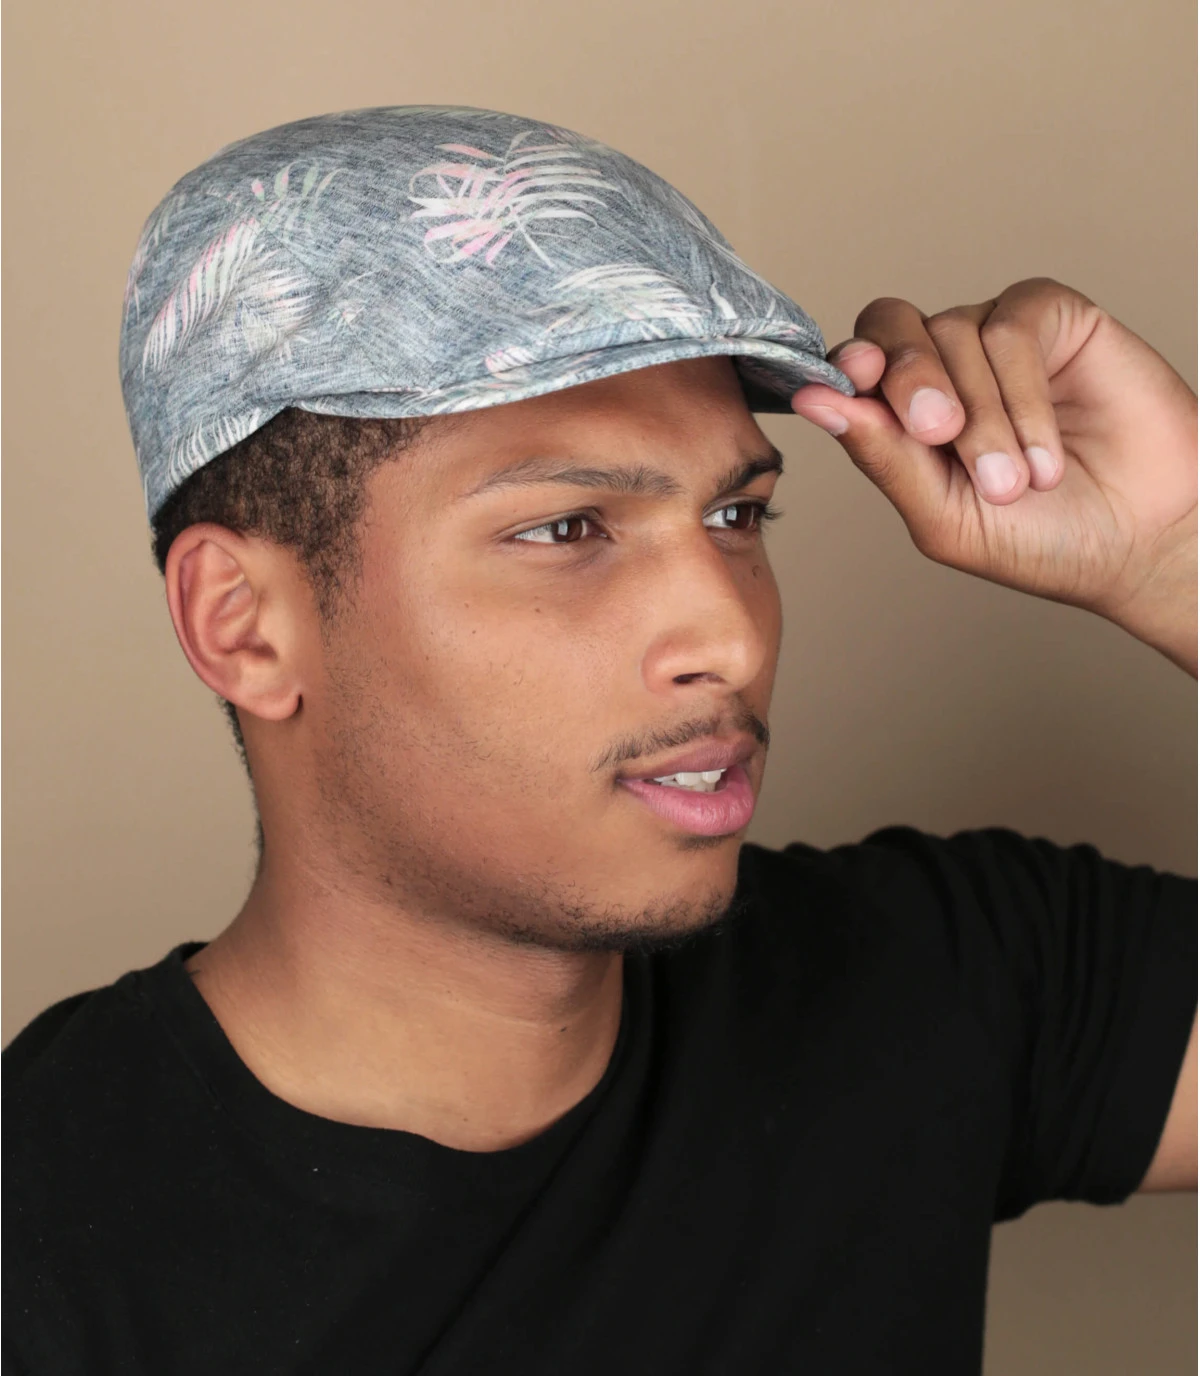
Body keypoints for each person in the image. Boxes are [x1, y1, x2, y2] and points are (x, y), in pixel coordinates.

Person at [4, 106, 1196, 1376]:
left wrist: (1179, 553)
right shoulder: (42, 1249)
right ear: (242, 624)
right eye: (568, 529)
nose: (729, 635)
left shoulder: (923, 976)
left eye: (738, 515)